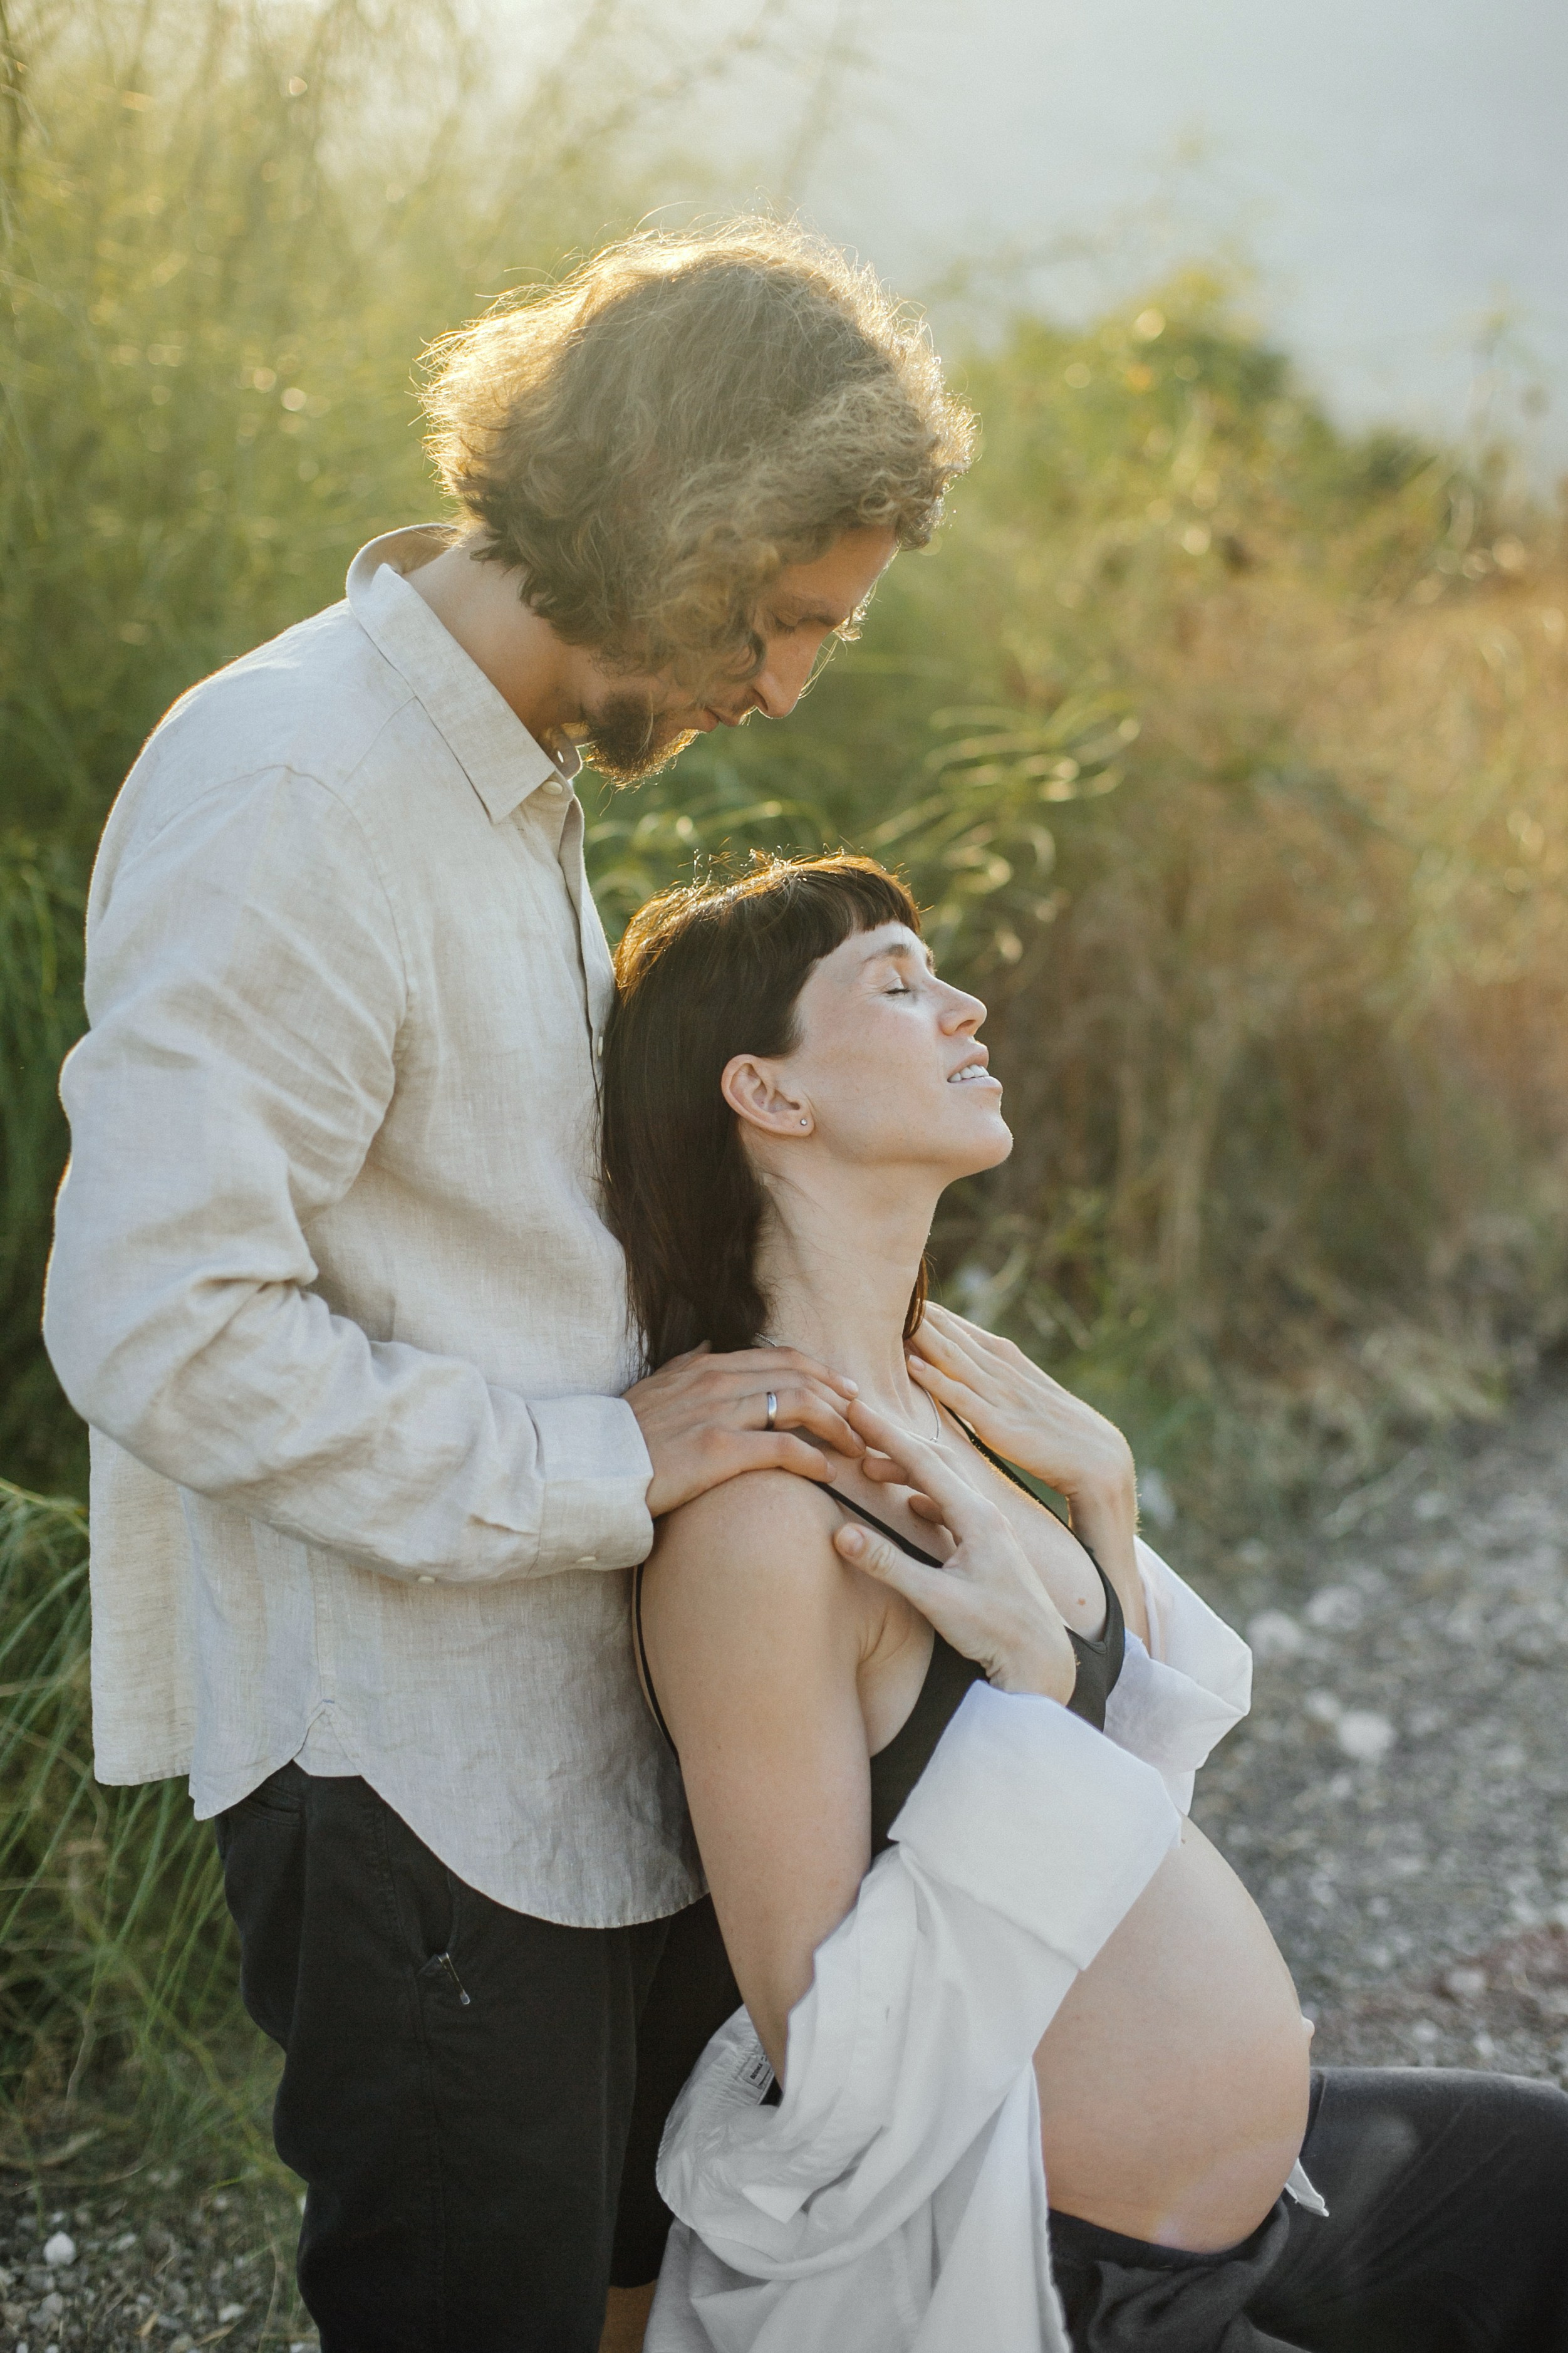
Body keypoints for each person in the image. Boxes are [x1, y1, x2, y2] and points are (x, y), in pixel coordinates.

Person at [41, 223, 975, 2353]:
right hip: (410, 1776)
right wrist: (595, 1459)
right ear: (672, 525)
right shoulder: (298, 786)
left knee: (660, 2295)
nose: (784, 685)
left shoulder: (504, 775)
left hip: (568, 1733)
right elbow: (155, 1323)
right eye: (778, 616)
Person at [603, 851, 1568, 2352]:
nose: (967, 1006)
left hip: (1263, 2190)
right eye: (899, 985)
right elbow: (833, 2062)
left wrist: (1104, 1506)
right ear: (771, 1096)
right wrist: (1038, 1695)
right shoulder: (760, 1528)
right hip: (1071, 2273)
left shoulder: (944, 1412)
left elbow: (1127, 1807)